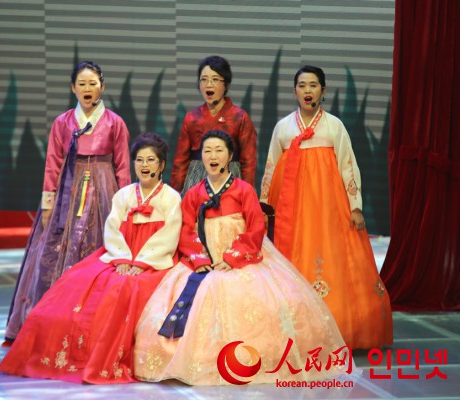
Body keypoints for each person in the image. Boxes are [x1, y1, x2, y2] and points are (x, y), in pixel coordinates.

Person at [134, 130, 355, 385]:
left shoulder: (244, 190)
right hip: (203, 261)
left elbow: (255, 228)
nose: (212, 156)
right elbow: (185, 230)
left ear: (230, 156)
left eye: (219, 151)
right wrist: (201, 259)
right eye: (207, 151)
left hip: (240, 258)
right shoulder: (194, 193)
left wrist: (232, 258)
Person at [0, 133, 182, 384]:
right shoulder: (124, 195)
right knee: (78, 281)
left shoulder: (171, 198)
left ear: (162, 165)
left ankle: (107, 356)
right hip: (120, 256)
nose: (144, 165)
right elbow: (112, 230)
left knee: (126, 288)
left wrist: (141, 262)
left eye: (151, 160)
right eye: (139, 160)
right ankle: (76, 353)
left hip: (153, 261)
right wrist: (123, 259)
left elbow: (168, 235)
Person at [259, 65, 393, 349]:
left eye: (313, 85)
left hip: (329, 207)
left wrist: (355, 206)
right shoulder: (283, 127)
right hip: (293, 209)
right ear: (294, 91)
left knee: (334, 257)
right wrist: (266, 206)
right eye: (302, 85)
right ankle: (295, 327)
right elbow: (271, 166)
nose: (307, 91)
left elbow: (348, 165)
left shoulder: (334, 126)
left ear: (323, 90)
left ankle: (340, 326)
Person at [4, 61, 131, 343]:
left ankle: (95, 322)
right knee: (53, 252)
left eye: (93, 83)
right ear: (73, 88)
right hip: (68, 191)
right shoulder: (62, 122)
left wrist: (125, 205)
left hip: (103, 189)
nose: (87, 88)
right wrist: (48, 203)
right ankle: (51, 319)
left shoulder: (115, 122)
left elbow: (123, 166)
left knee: (100, 248)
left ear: (102, 87)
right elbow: (52, 163)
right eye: (82, 84)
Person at [170, 55, 257, 196]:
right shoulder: (191, 118)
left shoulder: (240, 117)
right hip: (196, 179)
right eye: (204, 79)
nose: (208, 85)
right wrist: (175, 195)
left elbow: (249, 161)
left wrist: (247, 194)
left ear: (226, 84)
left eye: (215, 79)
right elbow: (180, 161)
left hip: (230, 179)